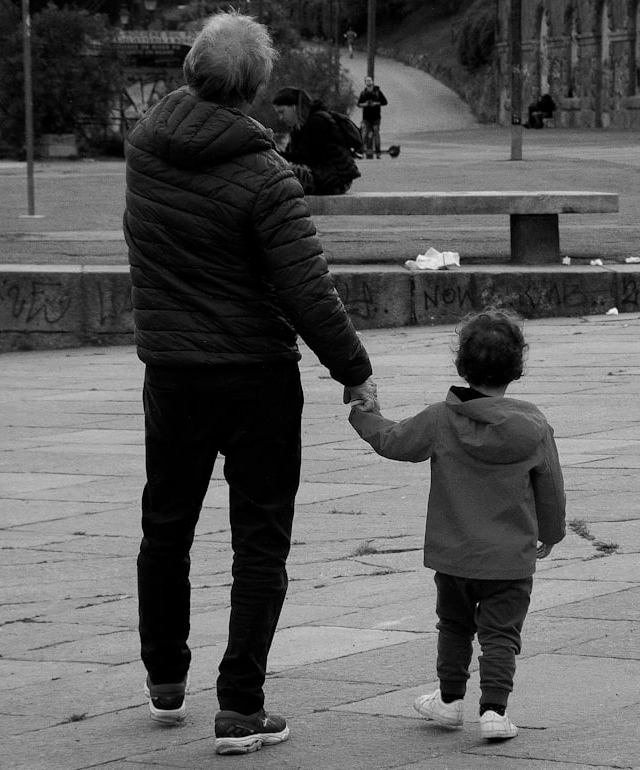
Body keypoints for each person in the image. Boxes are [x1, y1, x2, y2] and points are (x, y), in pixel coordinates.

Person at [123, 11, 378, 757]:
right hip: (256, 378)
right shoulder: (266, 175)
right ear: (258, 87)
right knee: (259, 542)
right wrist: (355, 372)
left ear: (188, 71)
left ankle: (165, 678)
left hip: (171, 372)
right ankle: (240, 707)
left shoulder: (143, 150)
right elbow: (307, 291)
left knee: (165, 526)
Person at [348, 309, 566, 741]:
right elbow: (551, 489)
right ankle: (494, 712)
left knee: (454, 627)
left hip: (454, 555)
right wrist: (552, 533)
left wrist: (363, 413)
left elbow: (394, 442)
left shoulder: (440, 418)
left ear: (462, 366)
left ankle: (448, 703)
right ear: (517, 367)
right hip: (509, 559)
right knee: (501, 635)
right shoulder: (534, 425)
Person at [272, 86, 360, 195]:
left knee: (276, 171)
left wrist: (277, 154)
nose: (281, 117)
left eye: (282, 112)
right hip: (324, 176)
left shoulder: (317, 121)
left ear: (294, 107)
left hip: (334, 180)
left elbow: (306, 157)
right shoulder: (299, 126)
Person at [357, 76, 388, 159]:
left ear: (372, 81)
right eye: (366, 80)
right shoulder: (363, 93)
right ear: (365, 82)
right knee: (363, 134)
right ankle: (361, 152)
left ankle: (378, 153)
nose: (368, 82)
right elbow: (359, 104)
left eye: (369, 80)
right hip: (366, 118)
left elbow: (385, 102)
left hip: (376, 117)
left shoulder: (378, 92)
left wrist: (375, 103)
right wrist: (366, 104)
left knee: (376, 133)